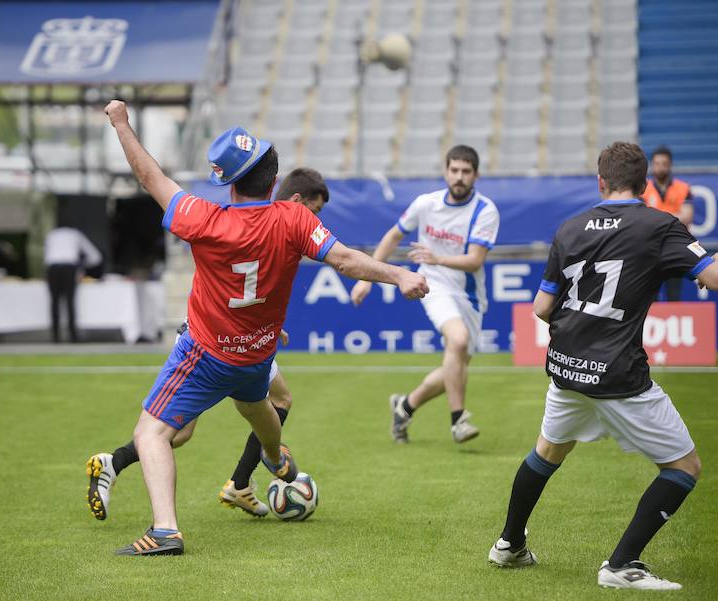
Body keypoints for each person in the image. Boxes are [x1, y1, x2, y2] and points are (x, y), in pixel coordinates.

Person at [102, 100, 428, 556]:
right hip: (258, 354)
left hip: (207, 352)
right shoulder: (294, 218)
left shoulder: (204, 218)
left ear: (227, 182)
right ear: (274, 181)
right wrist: (400, 275)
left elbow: (149, 177)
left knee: (150, 432)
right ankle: (275, 459)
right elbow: (346, 260)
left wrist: (121, 124)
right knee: (262, 411)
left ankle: (165, 531)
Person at [487, 142, 718, 590]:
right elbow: (716, 279)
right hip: (618, 374)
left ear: (600, 180)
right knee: (684, 467)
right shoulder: (659, 225)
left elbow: (542, 308)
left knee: (548, 452)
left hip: (565, 368)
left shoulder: (570, 227)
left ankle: (509, 544)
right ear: (644, 185)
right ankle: (622, 564)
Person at [86, 167, 332, 521]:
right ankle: (125, 467)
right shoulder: (268, 224)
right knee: (183, 430)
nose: (316, 220)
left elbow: (252, 290)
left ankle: (238, 481)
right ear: (296, 201)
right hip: (212, 341)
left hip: (236, 340)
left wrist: (266, 326)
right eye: (315, 211)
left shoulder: (273, 226)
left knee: (246, 410)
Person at [351, 145, 499, 444]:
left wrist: (437, 257)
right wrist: (368, 278)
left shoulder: (486, 210)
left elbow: (475, 260)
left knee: (454, 366)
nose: (459, 177)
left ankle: (404, 406)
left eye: (466, 172)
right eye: (454, 170)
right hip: (431, 284)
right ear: (445, 172)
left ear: (476, 175)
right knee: (457, 341)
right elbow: (394, 235)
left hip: (469, 295)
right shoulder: (426, 203)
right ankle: (458, 421)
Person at [642, 146, 694, 301]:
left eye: (664, 163)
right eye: (657, 163)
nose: (661, 167)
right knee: (650, 297)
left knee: (674, 296)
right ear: (652, 165)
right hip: (650, 248)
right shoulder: (643, 189)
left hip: (675, 247)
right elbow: (642, 218)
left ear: (670, 165)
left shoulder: (683, 188)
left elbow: (687, 217)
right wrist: (673, 215)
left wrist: (656, 213)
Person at [43, 227, 102, 342]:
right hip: (69, 268)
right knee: (70, 301)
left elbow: (46, 256)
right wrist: (82, 266)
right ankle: (73, 336)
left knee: (54, 302)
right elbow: (95, 257)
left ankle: (55, 336)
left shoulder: (51, 235)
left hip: (52, 268)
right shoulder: (76, 234)